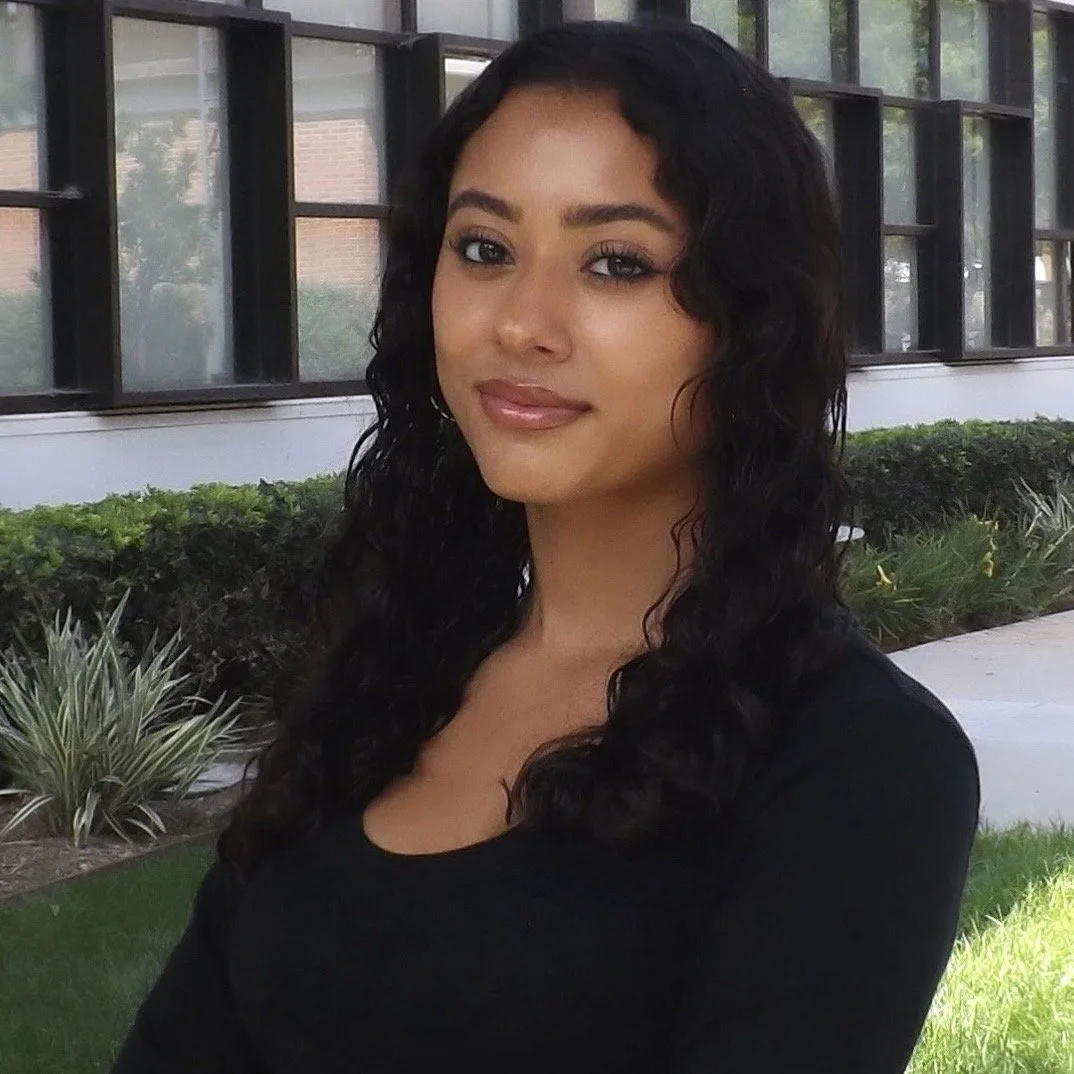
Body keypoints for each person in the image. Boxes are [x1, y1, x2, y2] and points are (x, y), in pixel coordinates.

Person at [111, 16, 980, 1074]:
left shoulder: (857, 761)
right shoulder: (390, 676)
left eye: (616, 262)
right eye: (484, 247)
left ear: (752, 320)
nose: (522, 322)